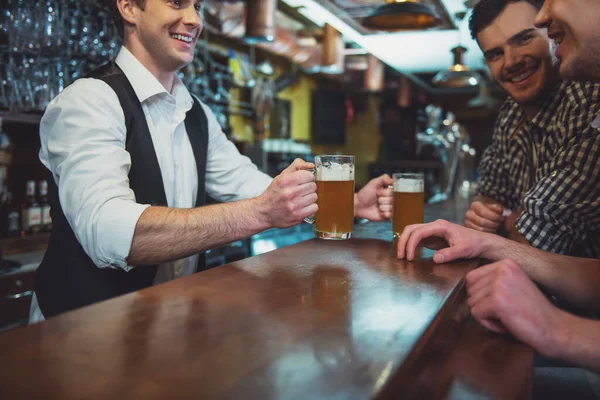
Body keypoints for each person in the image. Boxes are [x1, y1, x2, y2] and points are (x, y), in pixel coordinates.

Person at [30, 0, 393, 322]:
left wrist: (349, 203)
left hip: (167, 327)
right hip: (84, 334)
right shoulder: (89, 101)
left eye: (198, 7)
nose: (193, 19)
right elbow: (111, 233)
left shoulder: (195, 113)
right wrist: (261, 212)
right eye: (176, 3)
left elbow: (252, 186)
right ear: (128, 8)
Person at [464, 0, 600, 258]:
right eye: (495, 54)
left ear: (553, 35)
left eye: (524, 39)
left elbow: (532, 244)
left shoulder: (587, 97)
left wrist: (515, 223)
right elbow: (489, 194)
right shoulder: (510, 114)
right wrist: (485, 213)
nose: (511, 62)